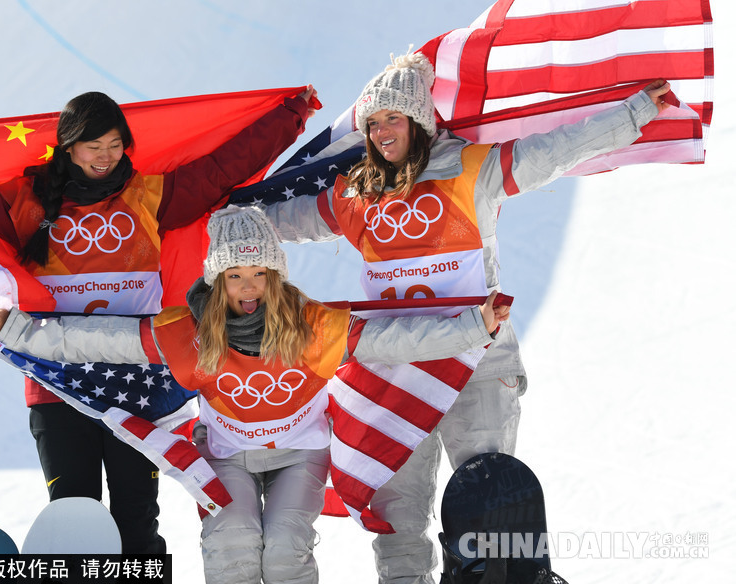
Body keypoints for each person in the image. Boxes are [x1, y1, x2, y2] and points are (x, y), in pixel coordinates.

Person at [0, 88, 317, 553]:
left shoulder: (152, 195)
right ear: (68, 147)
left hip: (137, 387)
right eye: (93, 147)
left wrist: (289, 117)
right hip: (57, 385)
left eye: (114, 145)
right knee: (72, 519)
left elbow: (222, 169)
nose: (105, 157)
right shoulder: (26, 200)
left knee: (135, 521)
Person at [261, 51, 672, 583]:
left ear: (419, 120)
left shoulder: (472, 169)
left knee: (491, 505)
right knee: (398, 524)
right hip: (396, 369)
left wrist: (633, 112)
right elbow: (276, 221)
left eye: (394, 118)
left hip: (475, 360)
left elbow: (554, 152)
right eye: (373, 123)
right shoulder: (354, 193)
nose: (383, 132)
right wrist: (210, 220)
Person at [0, 205, 510, 584]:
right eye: (236, 275)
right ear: (218, 279)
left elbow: (395, 339)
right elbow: (99, 339)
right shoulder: (191, 331)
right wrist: (17, 332)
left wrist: (474, 326)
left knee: (281, 549)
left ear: (276, 276)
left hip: (299, 455)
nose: (249, 286)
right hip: (226, 454)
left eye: (260, 273)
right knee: (231, 544)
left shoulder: (310, 325)